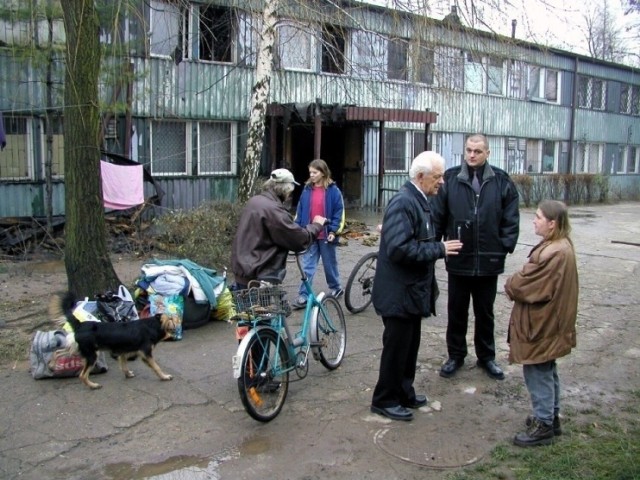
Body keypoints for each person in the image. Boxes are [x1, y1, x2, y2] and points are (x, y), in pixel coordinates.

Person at [370, 151, 463, 422]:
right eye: (438, 177)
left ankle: (403, 392)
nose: (442, 182)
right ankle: (384, 400)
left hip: (411, 292)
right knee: (396, 348)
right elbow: (400, 249)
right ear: (421, 177)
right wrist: (440, 248)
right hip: (399, 292)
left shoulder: (420, 200)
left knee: (410, 347)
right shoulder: (404, 202)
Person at [432, 133, 520, 380]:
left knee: (485, 313)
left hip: (488, 262)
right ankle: (456, 355)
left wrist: (503, 246)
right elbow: (438, 216)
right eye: (468, 150)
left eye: (477, 151)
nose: (471, 155)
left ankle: (487, 357)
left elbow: (511, 219)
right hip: (459, 258)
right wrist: (434, 247)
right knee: (456, 311)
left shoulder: (501, 181)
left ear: (487, 153)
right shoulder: (450, 179)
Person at [505, 200, 578, 447]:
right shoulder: (560, 246)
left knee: (537, 370)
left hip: (542, 323)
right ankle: (550, 417)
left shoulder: (553, 252)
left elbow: (522, 285)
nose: (534, 220)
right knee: (546, 368)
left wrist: (511, 283)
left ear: (552, 223)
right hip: (551, 321)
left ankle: (544, 424)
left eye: (538, 217)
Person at [231, 168, 326, 290]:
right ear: (285, 190)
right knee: (261, 308)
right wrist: (317, 225)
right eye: (290, 191)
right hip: (258, 273)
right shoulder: (273, 210)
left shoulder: (255, 201)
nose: (289, 195)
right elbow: (299, 239)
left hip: (243, 267)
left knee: (245, 307)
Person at [293, 159, 345, 307]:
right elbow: (300, 211)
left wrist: (334, 231)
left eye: (315, 172)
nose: (312, 175)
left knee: (330, 265)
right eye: (310, 172)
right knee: (308, 266)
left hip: (327, 236)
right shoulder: (307, 190)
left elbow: (339, 214)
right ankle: (304, 294)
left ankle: (336, 288)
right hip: (310, 235)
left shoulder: (334, 191)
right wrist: (298, 229)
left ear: (323, 173)